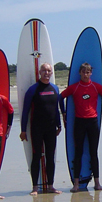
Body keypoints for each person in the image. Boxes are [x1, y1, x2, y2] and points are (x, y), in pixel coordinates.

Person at [60, 63, 102, 192]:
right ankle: (76, 184)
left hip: (93, 122)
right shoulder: (75, 88)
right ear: (80, 73)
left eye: (88, 72)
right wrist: (64, 112)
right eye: (84, 72)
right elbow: (60, 97)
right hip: (79, 122)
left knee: (93, 152)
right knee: (78, 153)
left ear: (91, 73)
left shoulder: (95, 86)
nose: (86, 74)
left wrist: (99, 109)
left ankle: (97, 183)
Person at [19, 63, 63, 195]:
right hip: (37, 128)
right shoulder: (33, 90)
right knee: (36, 156)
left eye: (48, 70)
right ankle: (34, 187)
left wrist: (59, 125)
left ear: (51, 73)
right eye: (44, 70)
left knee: (50, 157)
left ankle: (51, 185)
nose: (46, 73)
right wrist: (23, 130)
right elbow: (25, 111)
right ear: (39, 72)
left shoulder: (55, 88)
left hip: (51, 129)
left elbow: (56, 109)